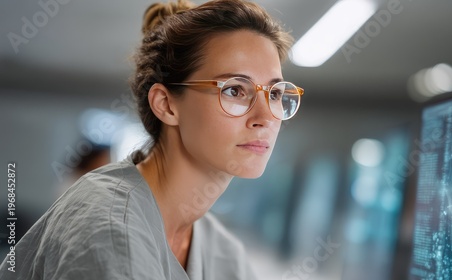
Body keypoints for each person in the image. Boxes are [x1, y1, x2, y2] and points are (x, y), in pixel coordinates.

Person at [0, 0, 303, 279]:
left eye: (275, 93)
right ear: (167, 104)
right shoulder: (108, 227)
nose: (266, 117)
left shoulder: (222, 252)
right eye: (235, 90)